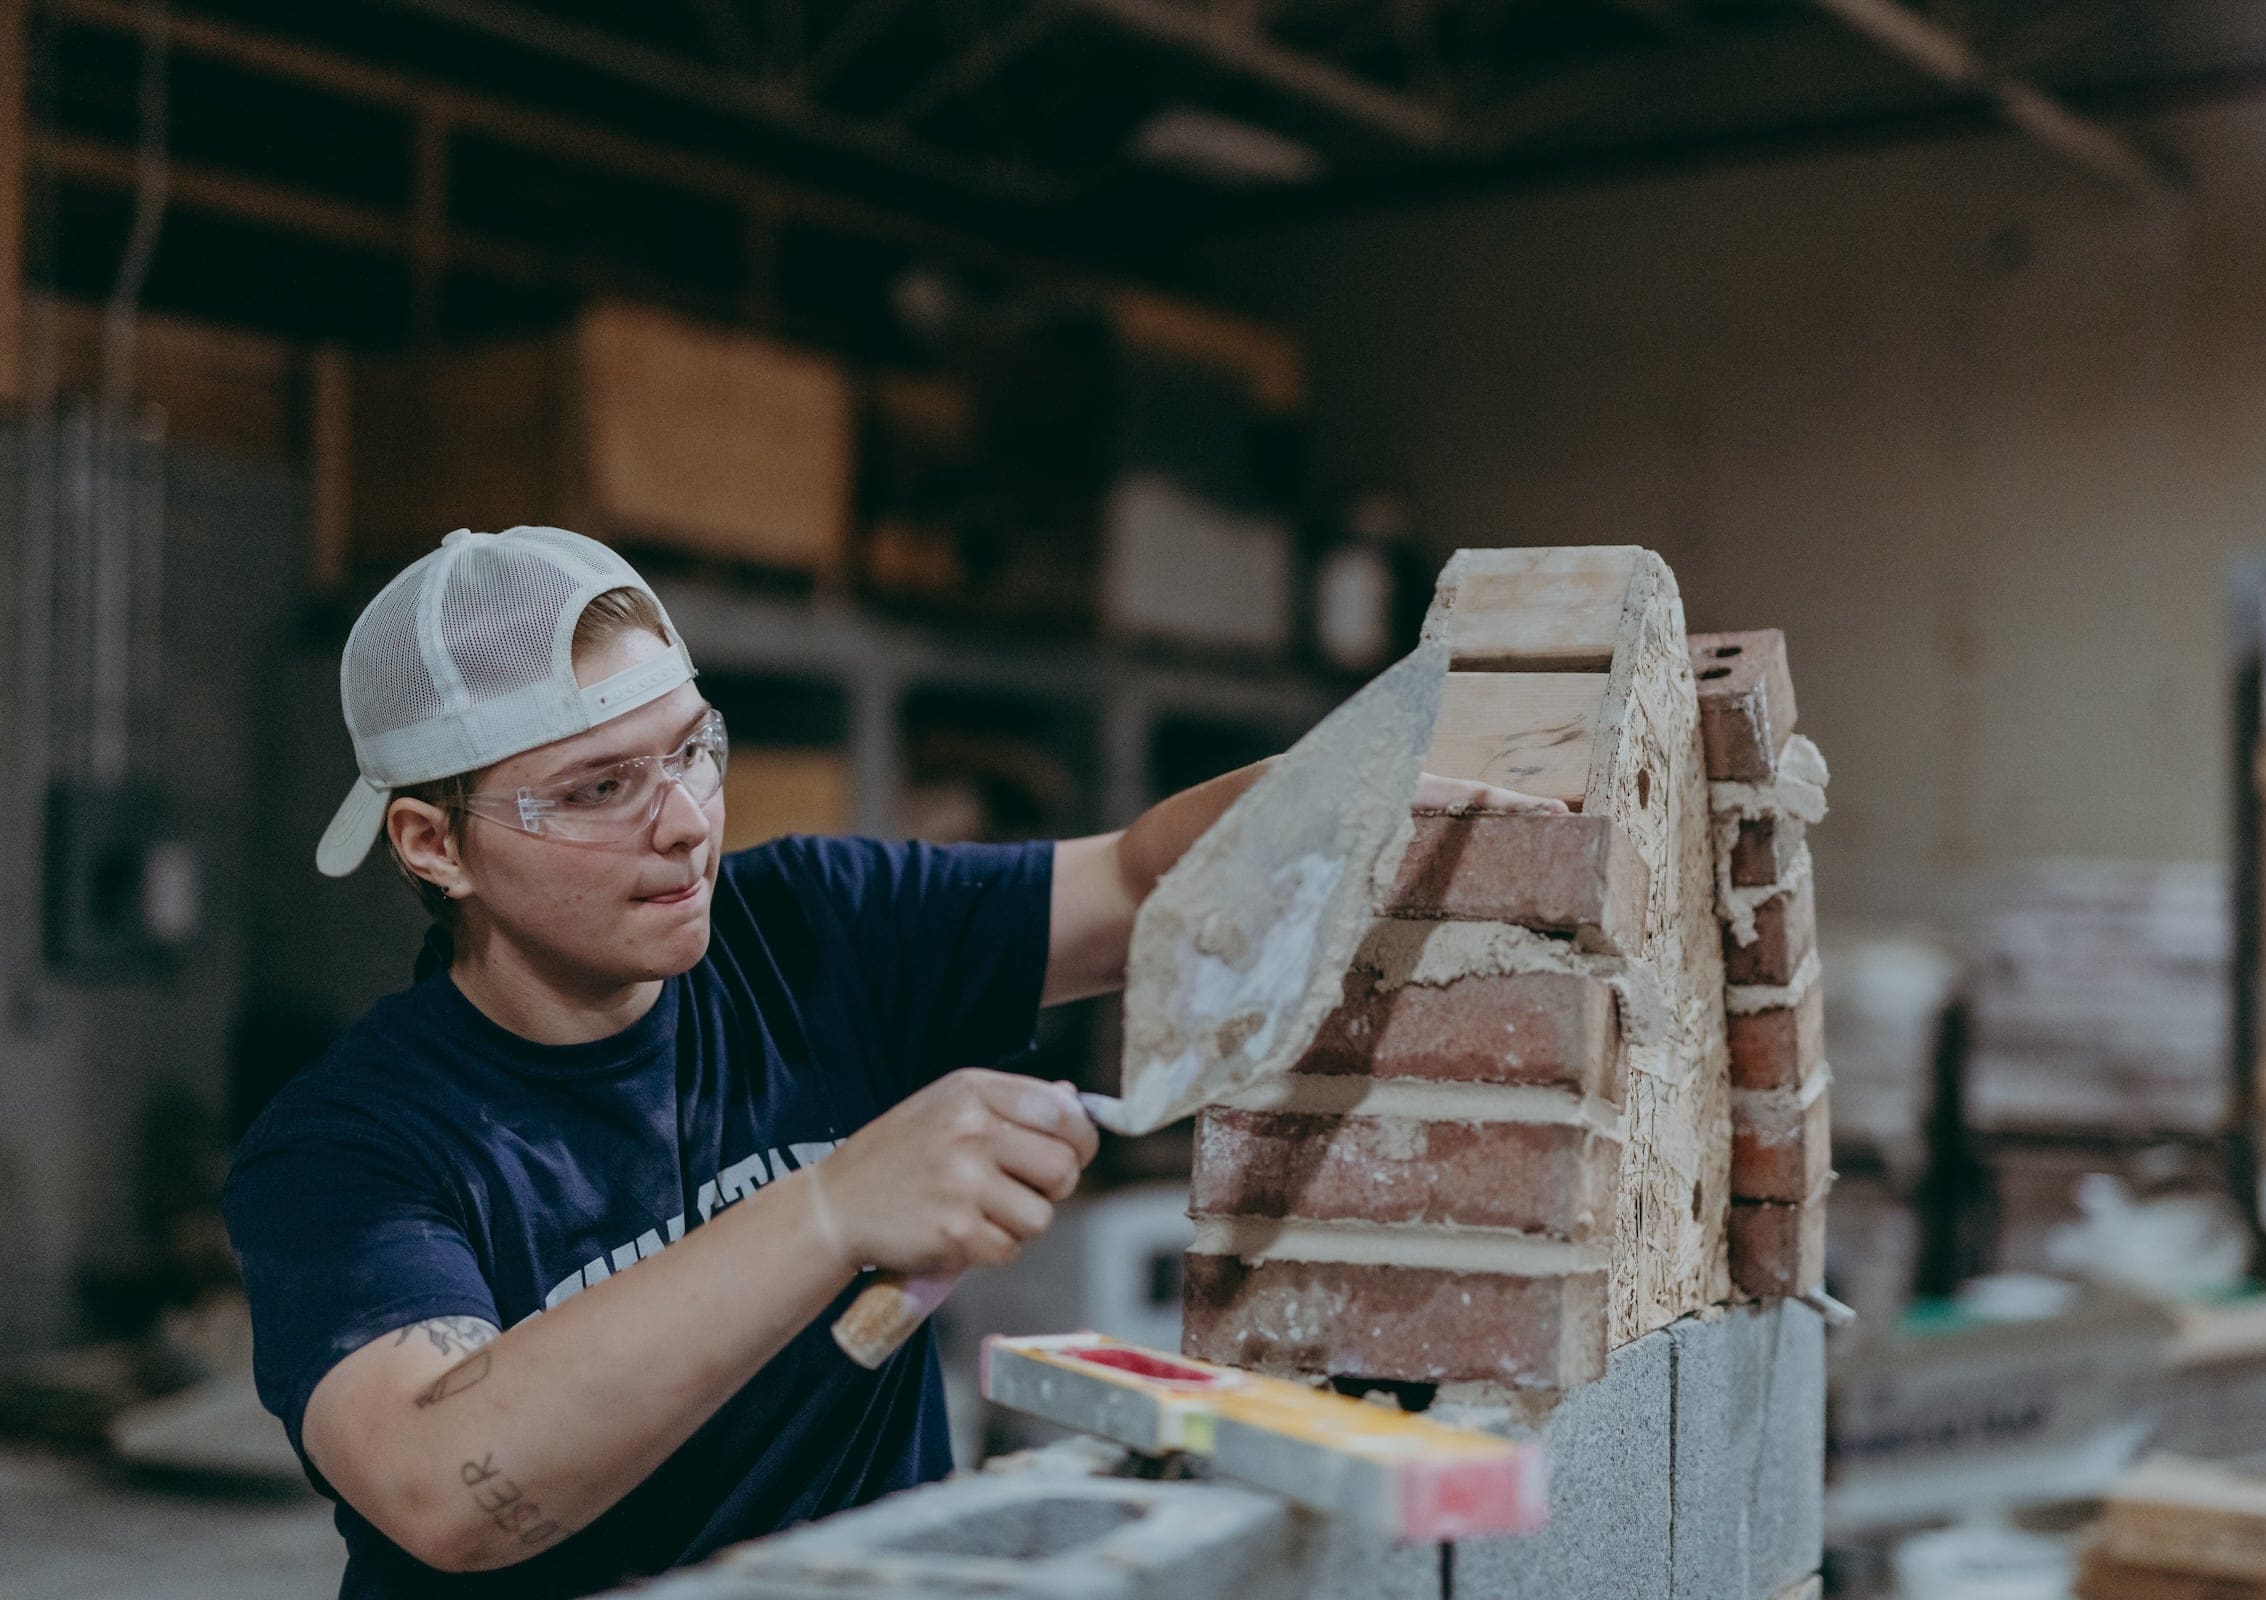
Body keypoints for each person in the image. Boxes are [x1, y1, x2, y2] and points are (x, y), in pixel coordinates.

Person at [225, 526, 1558, 1599]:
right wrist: (824, 1210)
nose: (685, 825)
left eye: (694, 750)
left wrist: (1399, 780)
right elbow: (438, 1485)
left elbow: (1156, 877)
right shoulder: (353, 1143)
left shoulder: (814, 932)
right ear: (431, 844)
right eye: (597, 789)